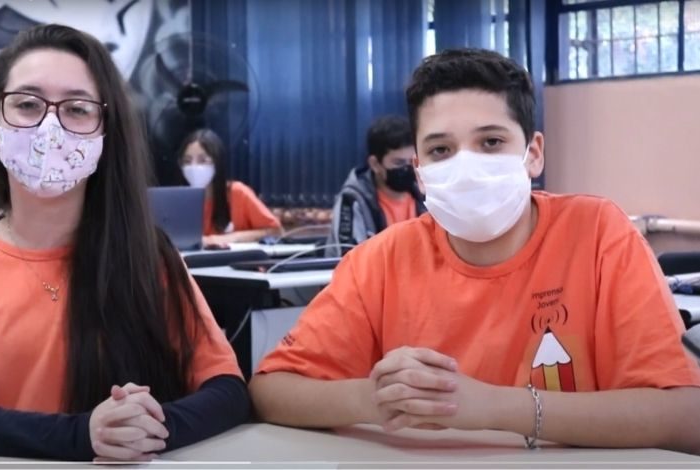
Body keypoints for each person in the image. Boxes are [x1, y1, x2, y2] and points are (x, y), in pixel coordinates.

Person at [249, 48, 700, 453]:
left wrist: (491, 407)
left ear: (534, 153)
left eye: (491, 142)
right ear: (420, 173)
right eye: (441, 149)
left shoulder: (599, 235)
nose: (466, 166)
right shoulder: (380, 261)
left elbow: (684, 416)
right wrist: (375, 398)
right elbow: (271, 390)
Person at [0, 24, 249, 462]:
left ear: (105, 135)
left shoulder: (148, 254)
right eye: (27, 104)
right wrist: (83, 435)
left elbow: (228, 389)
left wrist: (146, 430)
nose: (51, 126)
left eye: (78, 109)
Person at [327, 115, 425, 255]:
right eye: (399, 163)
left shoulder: (426, 198)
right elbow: (350, 259)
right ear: (375, 164)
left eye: (412, 162)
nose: (407, 169)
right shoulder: (353, 201)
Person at [178, 129, 282, 246]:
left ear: (217, 162)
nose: (194, 167)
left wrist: (227, 238)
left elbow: (275, 231)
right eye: (187, 161)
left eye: (202, 160)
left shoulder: (238, 193)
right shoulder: (178, 201)